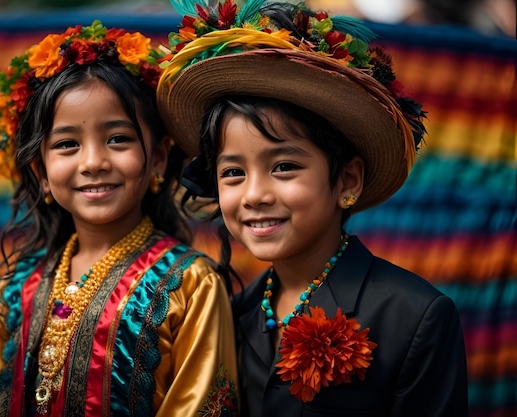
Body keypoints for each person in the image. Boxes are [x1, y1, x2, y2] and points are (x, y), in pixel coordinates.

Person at [157, 1, 468, 416]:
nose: (254, 195)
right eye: (233, 172)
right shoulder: (230, 315)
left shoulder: (415, 318)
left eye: (284, 167)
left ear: (347, 181)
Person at [0, 20, 239, 417]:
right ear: (41, 174)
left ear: (158, 157)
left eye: (118, 139)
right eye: (67, 144)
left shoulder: (191, 286)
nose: (93, 162)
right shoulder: (18, 286)